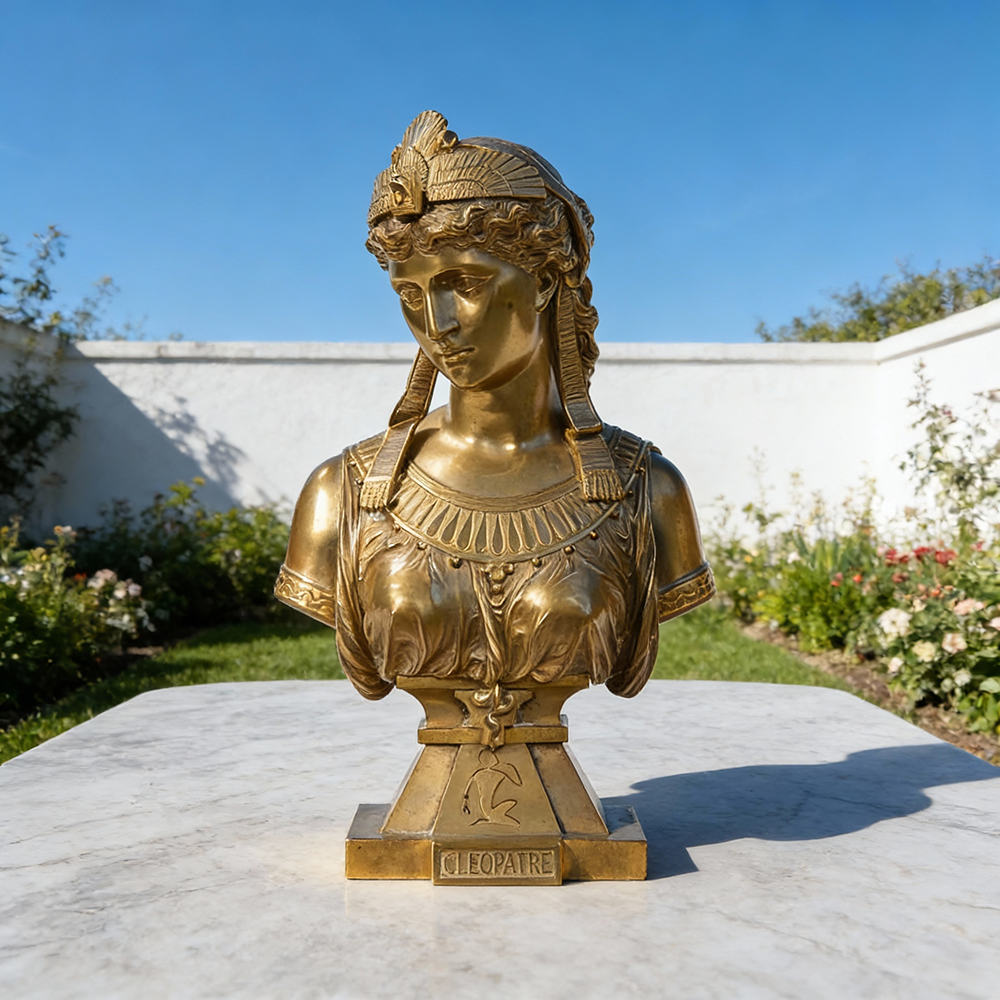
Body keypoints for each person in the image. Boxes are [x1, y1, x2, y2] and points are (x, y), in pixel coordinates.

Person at [275, 111, 714, 702]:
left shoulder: (649, 490)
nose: (437, 324)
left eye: (467, 283)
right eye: (410, 293)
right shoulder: (339, 492)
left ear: (543, 280)